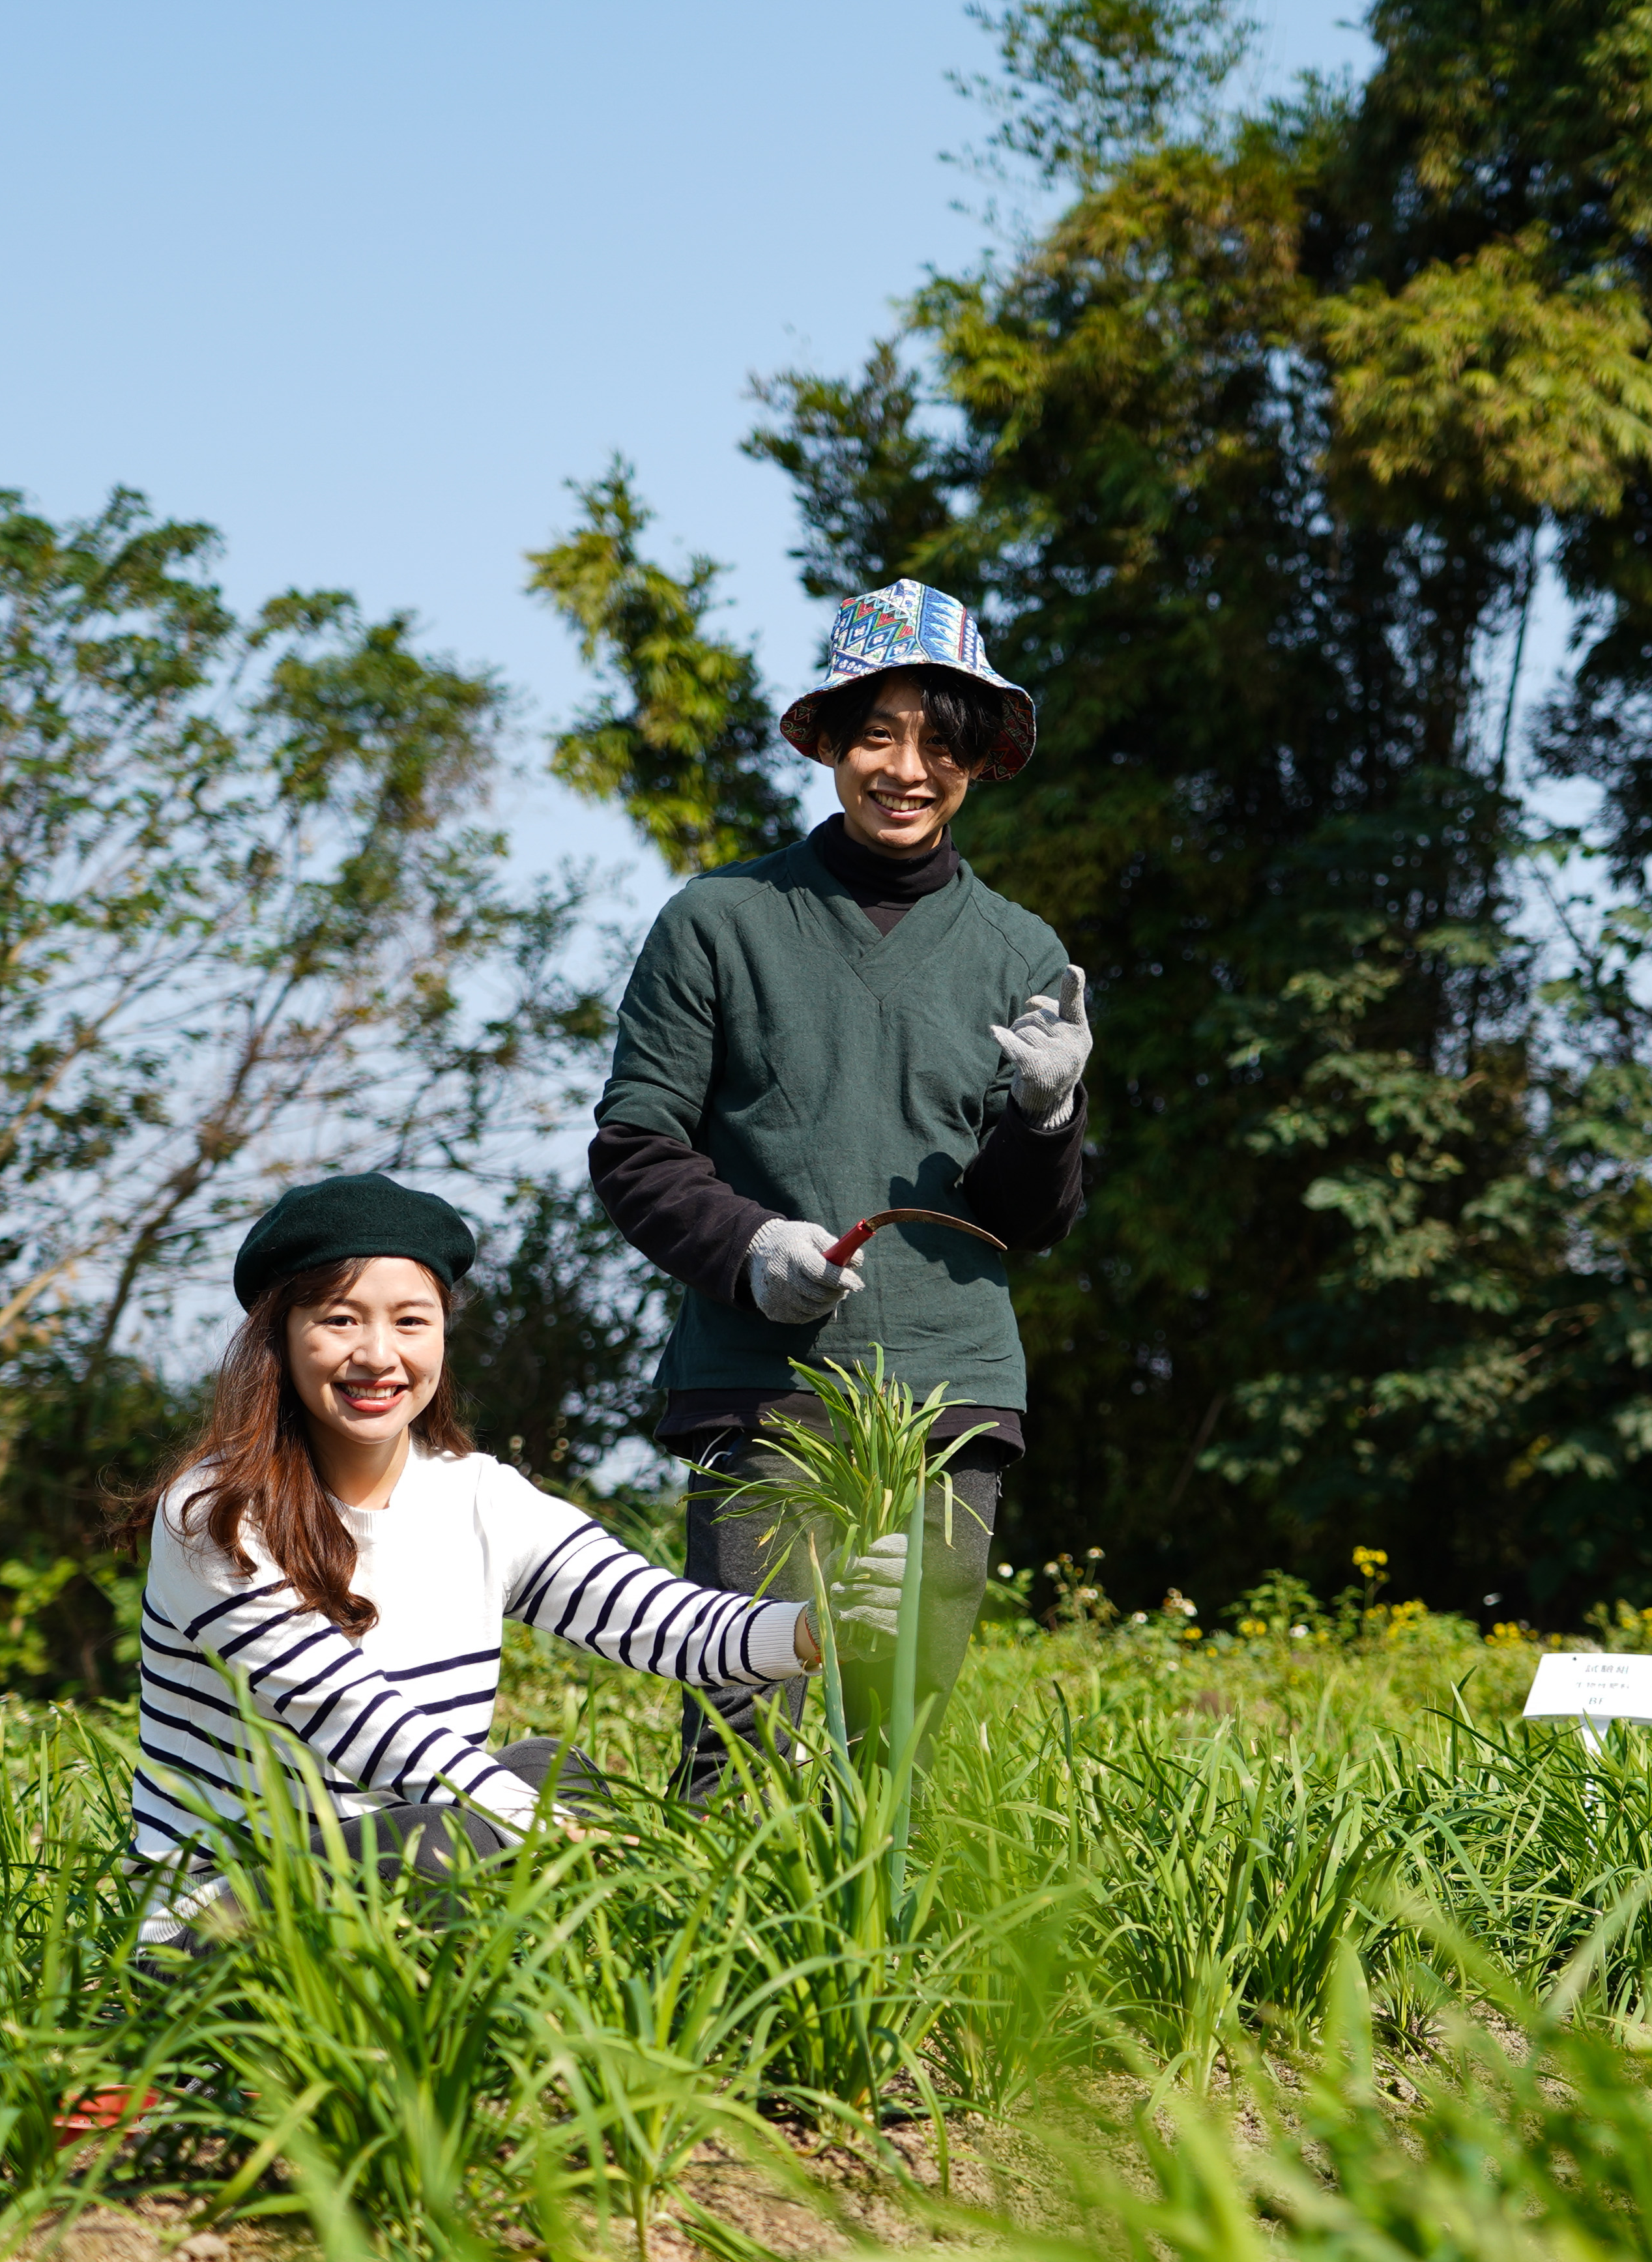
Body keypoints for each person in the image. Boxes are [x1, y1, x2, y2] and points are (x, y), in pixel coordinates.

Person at [589, 579, 1090, 1800]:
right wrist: (755, 1250)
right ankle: (721, 1981)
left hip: (948, 1386)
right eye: (878, 734)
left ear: (978, 758)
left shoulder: (1019, 948)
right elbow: (636, 1148)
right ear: (825, 742)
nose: (907, 769)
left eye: (941, 739)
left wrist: (1048, 1115)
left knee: (899, 1735)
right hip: (762, 1389)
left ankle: (893, 1983)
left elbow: (1030, 1218)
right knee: (741, 1728)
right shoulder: (720, 921)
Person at [130, 1170, 877, 1945]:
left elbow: (659, 1619)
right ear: (280, 1338)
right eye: (340, 1319)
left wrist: (815, 1629)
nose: (378, 1355)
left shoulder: (477, 1498)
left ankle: (466, 1992)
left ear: (442, 1336)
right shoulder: (215, 1514)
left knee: (554, 1769)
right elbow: (360, 1723)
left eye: (411, 1321)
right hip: (218, 1922)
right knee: (469, 1829)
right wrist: (544, 1831)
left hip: (403, 1874)